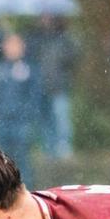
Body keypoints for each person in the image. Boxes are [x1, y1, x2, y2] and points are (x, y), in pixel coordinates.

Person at [0, 33, 39, 188]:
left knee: (23, 160)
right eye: (9, 45)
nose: (12, 49)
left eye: (16, 45)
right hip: (3, 122)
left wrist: (27, 116)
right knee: (3, 160)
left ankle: (26, 191)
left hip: (21, 122)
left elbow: (34, 97)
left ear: (22, 48)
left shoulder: (28, 70)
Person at [27, 14, 79, 159]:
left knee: (61, 118)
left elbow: (73, 57)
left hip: (58, 85)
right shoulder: (34, 37)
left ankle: (64, 147)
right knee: (45, 120)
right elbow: (29, 59)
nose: (45, 19)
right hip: (39, 87)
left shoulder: (64, 37)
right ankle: (48, 149)